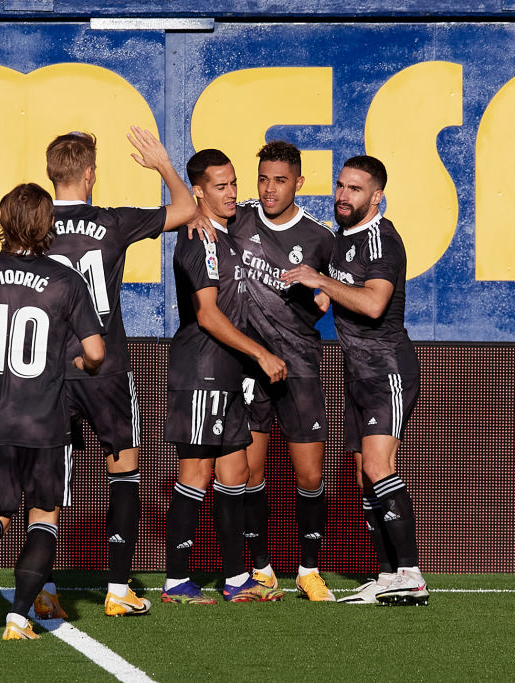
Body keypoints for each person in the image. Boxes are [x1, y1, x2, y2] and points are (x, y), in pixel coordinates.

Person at [35, 127, 207, 618]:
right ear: (90, 173)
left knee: (49, 481)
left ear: (52, 174)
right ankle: (116, 590)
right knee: (125, 469)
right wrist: (164, 166)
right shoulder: (111, 222)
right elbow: (186, 209)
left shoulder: (36, 224)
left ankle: (44, 591)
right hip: (106, 367)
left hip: (49, 370)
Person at [0, 183, 106, 640]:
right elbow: (95, 353)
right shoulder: (65, 281)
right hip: (44, 420)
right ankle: (17, 617)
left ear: (3, 221)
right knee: (43, 516)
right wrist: (71, 360)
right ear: (45, 224)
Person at [282, 155, 428, 606]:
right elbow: (329, 301)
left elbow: (372, 305)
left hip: (388, 369)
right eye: (341, 186)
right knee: (367, 477)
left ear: (376, 196)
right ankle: (387, 576)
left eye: (355, 189)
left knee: (380, 466)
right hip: (357, 373)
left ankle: (411, 573)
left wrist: (319, 278)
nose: (343, 195)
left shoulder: (381, 239)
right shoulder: (340, 238)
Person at [161, 148, 287, 605]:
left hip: (231, 373)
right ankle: (176, 580)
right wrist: (262, 354)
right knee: (196, 472)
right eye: (221, 186)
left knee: (235, 472)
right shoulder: (198, 238)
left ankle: (237, 579)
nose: (233, 192)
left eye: (235, 183)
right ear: (199, 192)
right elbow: (209, 316)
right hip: (202, 370)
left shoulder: (227, 234)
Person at [230, 141, 336, 600]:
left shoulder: (320, 238)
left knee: (310, 477)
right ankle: (262, 568)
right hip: (249, 366)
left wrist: (324, 294)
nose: (269, 189)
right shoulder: (239, 221)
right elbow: (199, 216)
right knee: (251, 474)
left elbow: (336, 291)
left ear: (298, 183)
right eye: (263, 179)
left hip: (300, 366)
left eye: (279, 180)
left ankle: (308, 569)